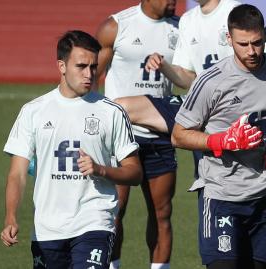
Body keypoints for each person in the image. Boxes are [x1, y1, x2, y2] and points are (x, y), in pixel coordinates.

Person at [171, 4, 266, 269]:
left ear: (265, 34)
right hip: (221, 196)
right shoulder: (210, 81)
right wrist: (221, 141)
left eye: (257, 42)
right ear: (229, 39)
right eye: (243, 44)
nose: (251, 51)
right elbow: (179, 135)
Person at [1, 30, 142, 269]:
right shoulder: (33, 111)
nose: (89, 74)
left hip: (95, 222)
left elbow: (135, 172)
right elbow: (17, 174)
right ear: (61, 66)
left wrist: (101, 170)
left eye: (93, 67)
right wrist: (11, 215)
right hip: (48, 229)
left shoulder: (112, 112)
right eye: (81, 66)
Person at [113, 0, 266, 178]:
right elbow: (187, 80)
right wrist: (164, 66)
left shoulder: (234, 11)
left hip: (234, 106)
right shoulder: (188, 20)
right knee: (122, 107)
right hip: (202, 103)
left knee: (218, 176)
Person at [95, 1, 179, 269]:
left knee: (162, 212)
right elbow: (90, 74)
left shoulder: (181, 28)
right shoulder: (116, 26)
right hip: (119, 136)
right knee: (114, 211)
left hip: (160, 135)